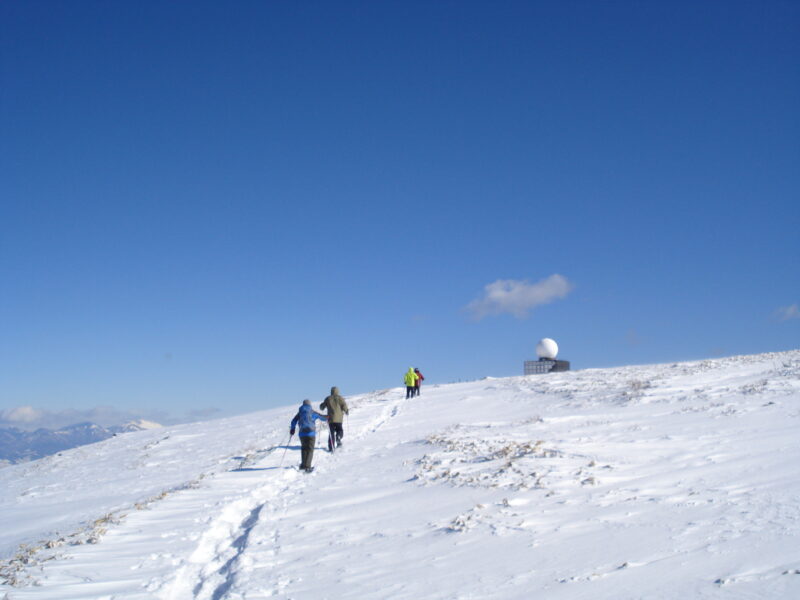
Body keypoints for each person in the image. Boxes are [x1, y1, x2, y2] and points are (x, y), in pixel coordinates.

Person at [290, 400, 327, 472]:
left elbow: (293, 421)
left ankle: (303, 465)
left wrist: (292, 429)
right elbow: (322, 418)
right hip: (311, 433)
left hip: (302, 434)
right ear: (310, 405)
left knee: (304, 449)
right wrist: (328, 417)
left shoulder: (300, 413)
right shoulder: (312, 412)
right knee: (310, 450)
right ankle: (307, 467)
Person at [320, 386, 349, 451]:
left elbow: (322, 407)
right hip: (339, 419)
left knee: (331, 433)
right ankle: (338, 436)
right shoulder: (340, 398)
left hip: (331, 419)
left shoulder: (328, 398)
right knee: (340, 430)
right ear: (337, 391)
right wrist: (346, 411)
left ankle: (331, 447)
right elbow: (344, 405)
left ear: (331, 391)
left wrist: (321, 406)